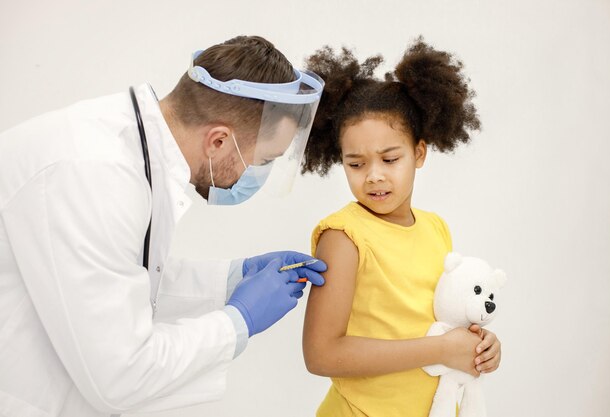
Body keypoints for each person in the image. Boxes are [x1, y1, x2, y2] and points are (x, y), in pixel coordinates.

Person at [0, 35, 327, 417]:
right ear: (219, 140)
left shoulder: (134, 154)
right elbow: (121, 375)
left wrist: (231, 280)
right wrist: (238, 321)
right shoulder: (95, 175)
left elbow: (119, 274)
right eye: (263, 160)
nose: (257, 175)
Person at [300, 37, 502, 417]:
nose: (374, 177)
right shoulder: (343, 237)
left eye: (390, 159)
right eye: (356, 164)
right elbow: (321, 353)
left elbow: (442, 322)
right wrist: (442, 350)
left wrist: (480, 343)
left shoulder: (436, 228)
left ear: (419, 153)